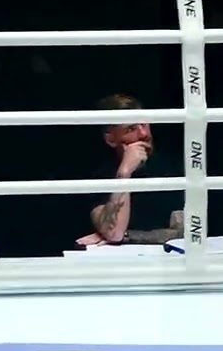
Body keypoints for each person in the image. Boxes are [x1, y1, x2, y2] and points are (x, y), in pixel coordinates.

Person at [79, 94, 184, 247]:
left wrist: (129, 236)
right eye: (131, 129)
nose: (144, 134)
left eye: (144, 124)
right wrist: (124, 172)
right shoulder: (100, 174)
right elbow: (114, 233)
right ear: (111, 139)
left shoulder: (172, 167)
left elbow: (185, 232)